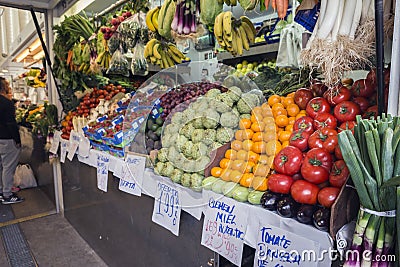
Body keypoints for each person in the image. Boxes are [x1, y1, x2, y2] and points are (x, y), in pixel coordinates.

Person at [0, 77, 24, 204]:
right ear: (3, 87)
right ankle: (7, 195)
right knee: (8, 167)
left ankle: (1, 191)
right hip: (7, 139)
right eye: (7, 85)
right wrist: (17, 139)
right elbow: (11, 123)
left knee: (1, 167)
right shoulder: (6, 103)